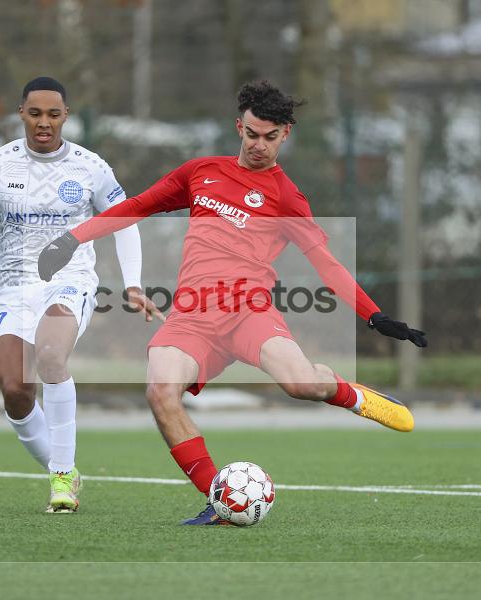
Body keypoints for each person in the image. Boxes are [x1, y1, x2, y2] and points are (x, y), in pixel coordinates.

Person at [38, 80, 426, 525]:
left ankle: (350, 393)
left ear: (286, 135)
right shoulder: (199, 172)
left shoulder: (286, 197)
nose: (260, 145)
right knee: (160, 393)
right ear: (238, 127)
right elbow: (136, 207)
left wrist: (374, 316)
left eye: (271, 137)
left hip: (249, 311)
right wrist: (71, 239)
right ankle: (218, 500)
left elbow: (326, 264)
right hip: (191, 315)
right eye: (252, 134)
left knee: (300, 386)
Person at [0, 76, 161, 513]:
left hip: (69, 279)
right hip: (15, 287)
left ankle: (61, 478)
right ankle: (67, 471)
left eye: (53, 114)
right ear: (21, 113)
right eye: (35, 113)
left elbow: (126, 220)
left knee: (52, 358)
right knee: (16, 390)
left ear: (65, 117)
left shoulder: (89, 167)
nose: (44, 123)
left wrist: (132, 282)